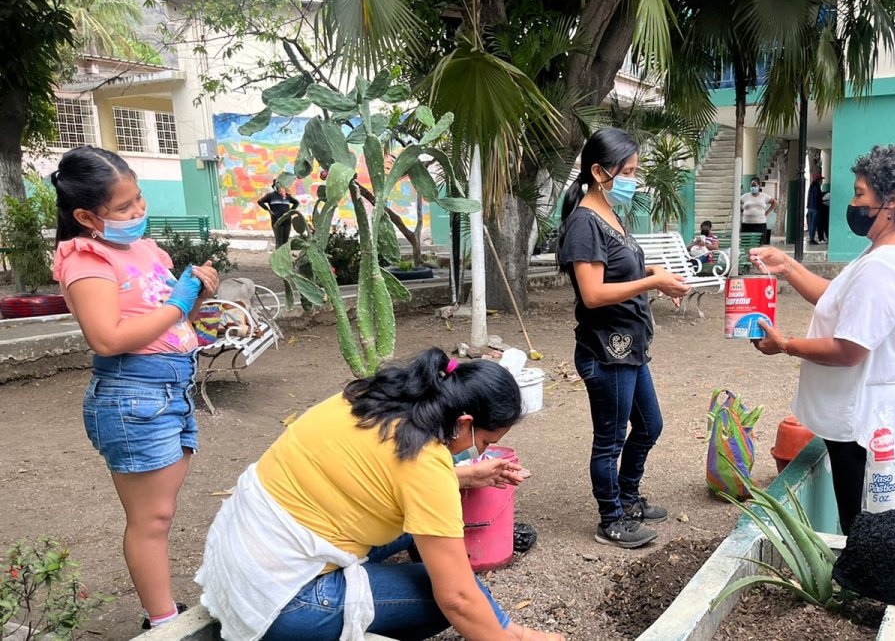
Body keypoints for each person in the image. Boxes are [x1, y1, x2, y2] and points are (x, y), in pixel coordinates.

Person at [196, 349, 563, 641]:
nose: (480, 452)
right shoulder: (425, 461)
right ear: (465, 422)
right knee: (446, 595)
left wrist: (464, 477)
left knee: (429, 535)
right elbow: (458, 600)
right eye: (484, 442)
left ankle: (506, 630)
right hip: (282, 603)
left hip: (239, 558)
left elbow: (383, 477)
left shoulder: (373, 399)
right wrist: (502, 632)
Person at [50, 145, 220, 629]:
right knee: (152, 520)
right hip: (133, 395)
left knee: (160, 514)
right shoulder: (86, 260)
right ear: (87, 216)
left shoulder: (143, 249)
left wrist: (197, 300)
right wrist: (178, 301)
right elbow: (107, 339)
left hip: (170, 391)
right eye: (124, 207)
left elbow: (165, 320)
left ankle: (163, 613)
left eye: (139, 199)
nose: (139, 211)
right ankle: (163, 622)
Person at [748, 142, 895, 534]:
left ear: (893, 200)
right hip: (874, 410)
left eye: (860, 193)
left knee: (860, 524)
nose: (852, 202)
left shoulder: (885, 265)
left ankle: (859, 590)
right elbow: (846, 302)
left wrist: (784, 345)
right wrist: (790, 268)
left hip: (862, 421)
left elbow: (849, 349)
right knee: (865, 518)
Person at [557, 127, 691, 549]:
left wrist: (657, 276)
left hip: (631, 347)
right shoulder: (584, 223)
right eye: (628, 171)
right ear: (599, 172)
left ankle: (629, 497)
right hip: (606, 349)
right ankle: (611, 519)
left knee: (650, 425)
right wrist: (648, 282)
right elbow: (594, 294)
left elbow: (623, 270)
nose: (634, 179)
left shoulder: (611, 216)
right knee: (610, 440)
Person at [257, 178, 300, 247]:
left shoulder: (287, 196)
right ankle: (278, 256)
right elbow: (260, 201)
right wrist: (268, 210)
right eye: (277, 186)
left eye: (281, 186)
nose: (279, 187)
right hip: (276, 220)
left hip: (287, 221)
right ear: (274, 186)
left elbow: (296, 203)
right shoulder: (270, 196)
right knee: (279, 241)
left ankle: (284, 256)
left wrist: (290, 212)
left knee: (285, 241)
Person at [739, 176, 777, 245]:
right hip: (747, 224)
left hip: (760, 224)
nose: (753, 187)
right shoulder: (745, 196)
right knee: (746, 244)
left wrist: (767, 212)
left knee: (760, 244)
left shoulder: (764, 196)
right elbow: (737, 203)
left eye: (755, 185)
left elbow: (774, 202)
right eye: (752, 185)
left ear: (759, 186)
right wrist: (741, 211)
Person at [806, 174, 824, 245]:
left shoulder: (811, 187)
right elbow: (818, 199)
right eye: (821, 179)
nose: (822, 181)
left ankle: (811, 237)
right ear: (818, 180)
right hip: (815, 208)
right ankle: (812, 239)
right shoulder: (817, 188)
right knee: (813, 224)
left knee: (811, 224)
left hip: (810, 207)